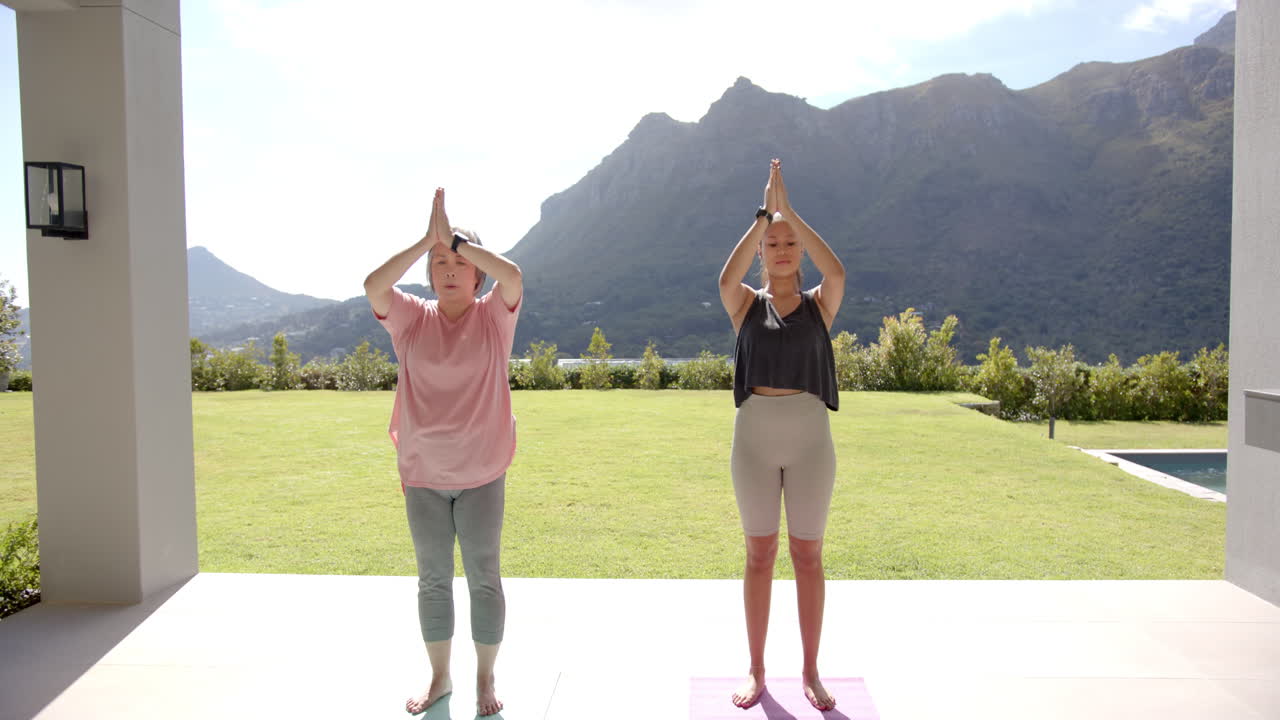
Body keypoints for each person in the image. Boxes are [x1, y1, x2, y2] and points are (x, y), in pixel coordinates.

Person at [364, 187, 523, 717]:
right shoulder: (411, 318)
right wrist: (426, 240)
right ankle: (439, 678)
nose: (449, 269)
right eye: (440, 263)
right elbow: (373, 285)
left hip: (482, 473)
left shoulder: (493, 318)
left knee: (484, 577)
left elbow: (515, 276)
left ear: (477, 274)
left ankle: (484, 680)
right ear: (429, 274)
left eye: (459, 261)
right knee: (432, 578)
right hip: (424, 475)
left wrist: (454, 238)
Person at [717, 159, 846, 712]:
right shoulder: (745, 304)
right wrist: (763, 218)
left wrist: (790, 213)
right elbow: (725, 278)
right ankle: (756, 667)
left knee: (808, 555)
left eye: (789, 241)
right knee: (759, 554)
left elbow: (837, 271)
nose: (783, 248)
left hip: (810, 439)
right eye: (774, 243)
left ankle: (811, 671)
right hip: (754, 441)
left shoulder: (821, 304)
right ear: (763, 253)